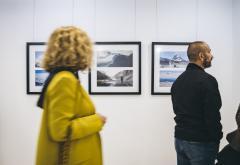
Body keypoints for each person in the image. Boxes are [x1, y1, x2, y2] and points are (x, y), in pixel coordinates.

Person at [36, 26, 106, 165]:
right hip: (73, 159)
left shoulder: (62, 76)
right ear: (79, 49)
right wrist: (97, 121)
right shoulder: (65, 79)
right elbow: (61, 130)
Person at [171, 41, 223, 165]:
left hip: (180, 139)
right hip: (201, 142)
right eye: (209, 52)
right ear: (201, 56)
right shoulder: (208, 81)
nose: (211, 55)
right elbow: (212, 114)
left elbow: (177, 109)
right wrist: (217, 138)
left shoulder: (178, 81)